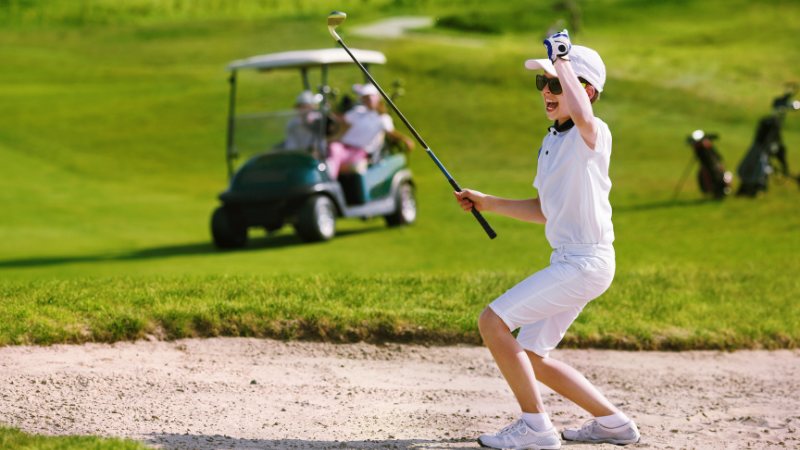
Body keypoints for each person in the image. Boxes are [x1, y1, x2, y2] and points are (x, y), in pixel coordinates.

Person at [454, 30, 640, 449]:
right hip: (571, 263)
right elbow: (543, 209)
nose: (546, 91)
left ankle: (536, 428)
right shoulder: (551, 142)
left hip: (585, 262)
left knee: (492, 321)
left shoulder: (593, 133)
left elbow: (586, 119)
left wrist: (563, 61)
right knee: (532, 355)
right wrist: (488, 202)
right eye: (543, 83)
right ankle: (613, 423)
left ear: (586, 91)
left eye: (555, 83)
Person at [326, 83, 414, 180]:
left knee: (334, 152)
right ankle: (329, 179)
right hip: (345, 147)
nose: (369, 100)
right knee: (332, 147)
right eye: (366, 97)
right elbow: (341, 118)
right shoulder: (358, 112)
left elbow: (390, 133)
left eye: (371, 96)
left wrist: (405, 139)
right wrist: (325, 112)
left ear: (377, 98)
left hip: (361, 151)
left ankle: (330, 180)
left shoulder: (383, 118)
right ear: (362, 99)